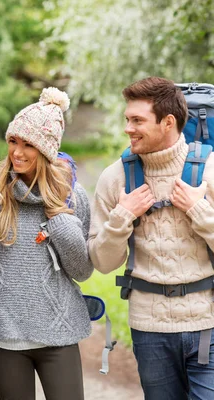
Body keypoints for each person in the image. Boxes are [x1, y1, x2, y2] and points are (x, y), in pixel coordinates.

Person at [88, 76, 214, 399]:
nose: (128, 128)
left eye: (137, 120)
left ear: (168, 122)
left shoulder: (209, 170)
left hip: (206, 325)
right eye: (127, 119)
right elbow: (102, 262)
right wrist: (122, 216)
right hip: (149, 330)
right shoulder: (115, 178)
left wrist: (199, 211)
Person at [0, 87, 94, 400]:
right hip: (5, 337)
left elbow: (81, 270)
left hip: (59, 333)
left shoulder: (74, 197)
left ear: (47, 150)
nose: (17, 153)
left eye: (29, 145)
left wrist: (58, 214)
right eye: (13, 141)